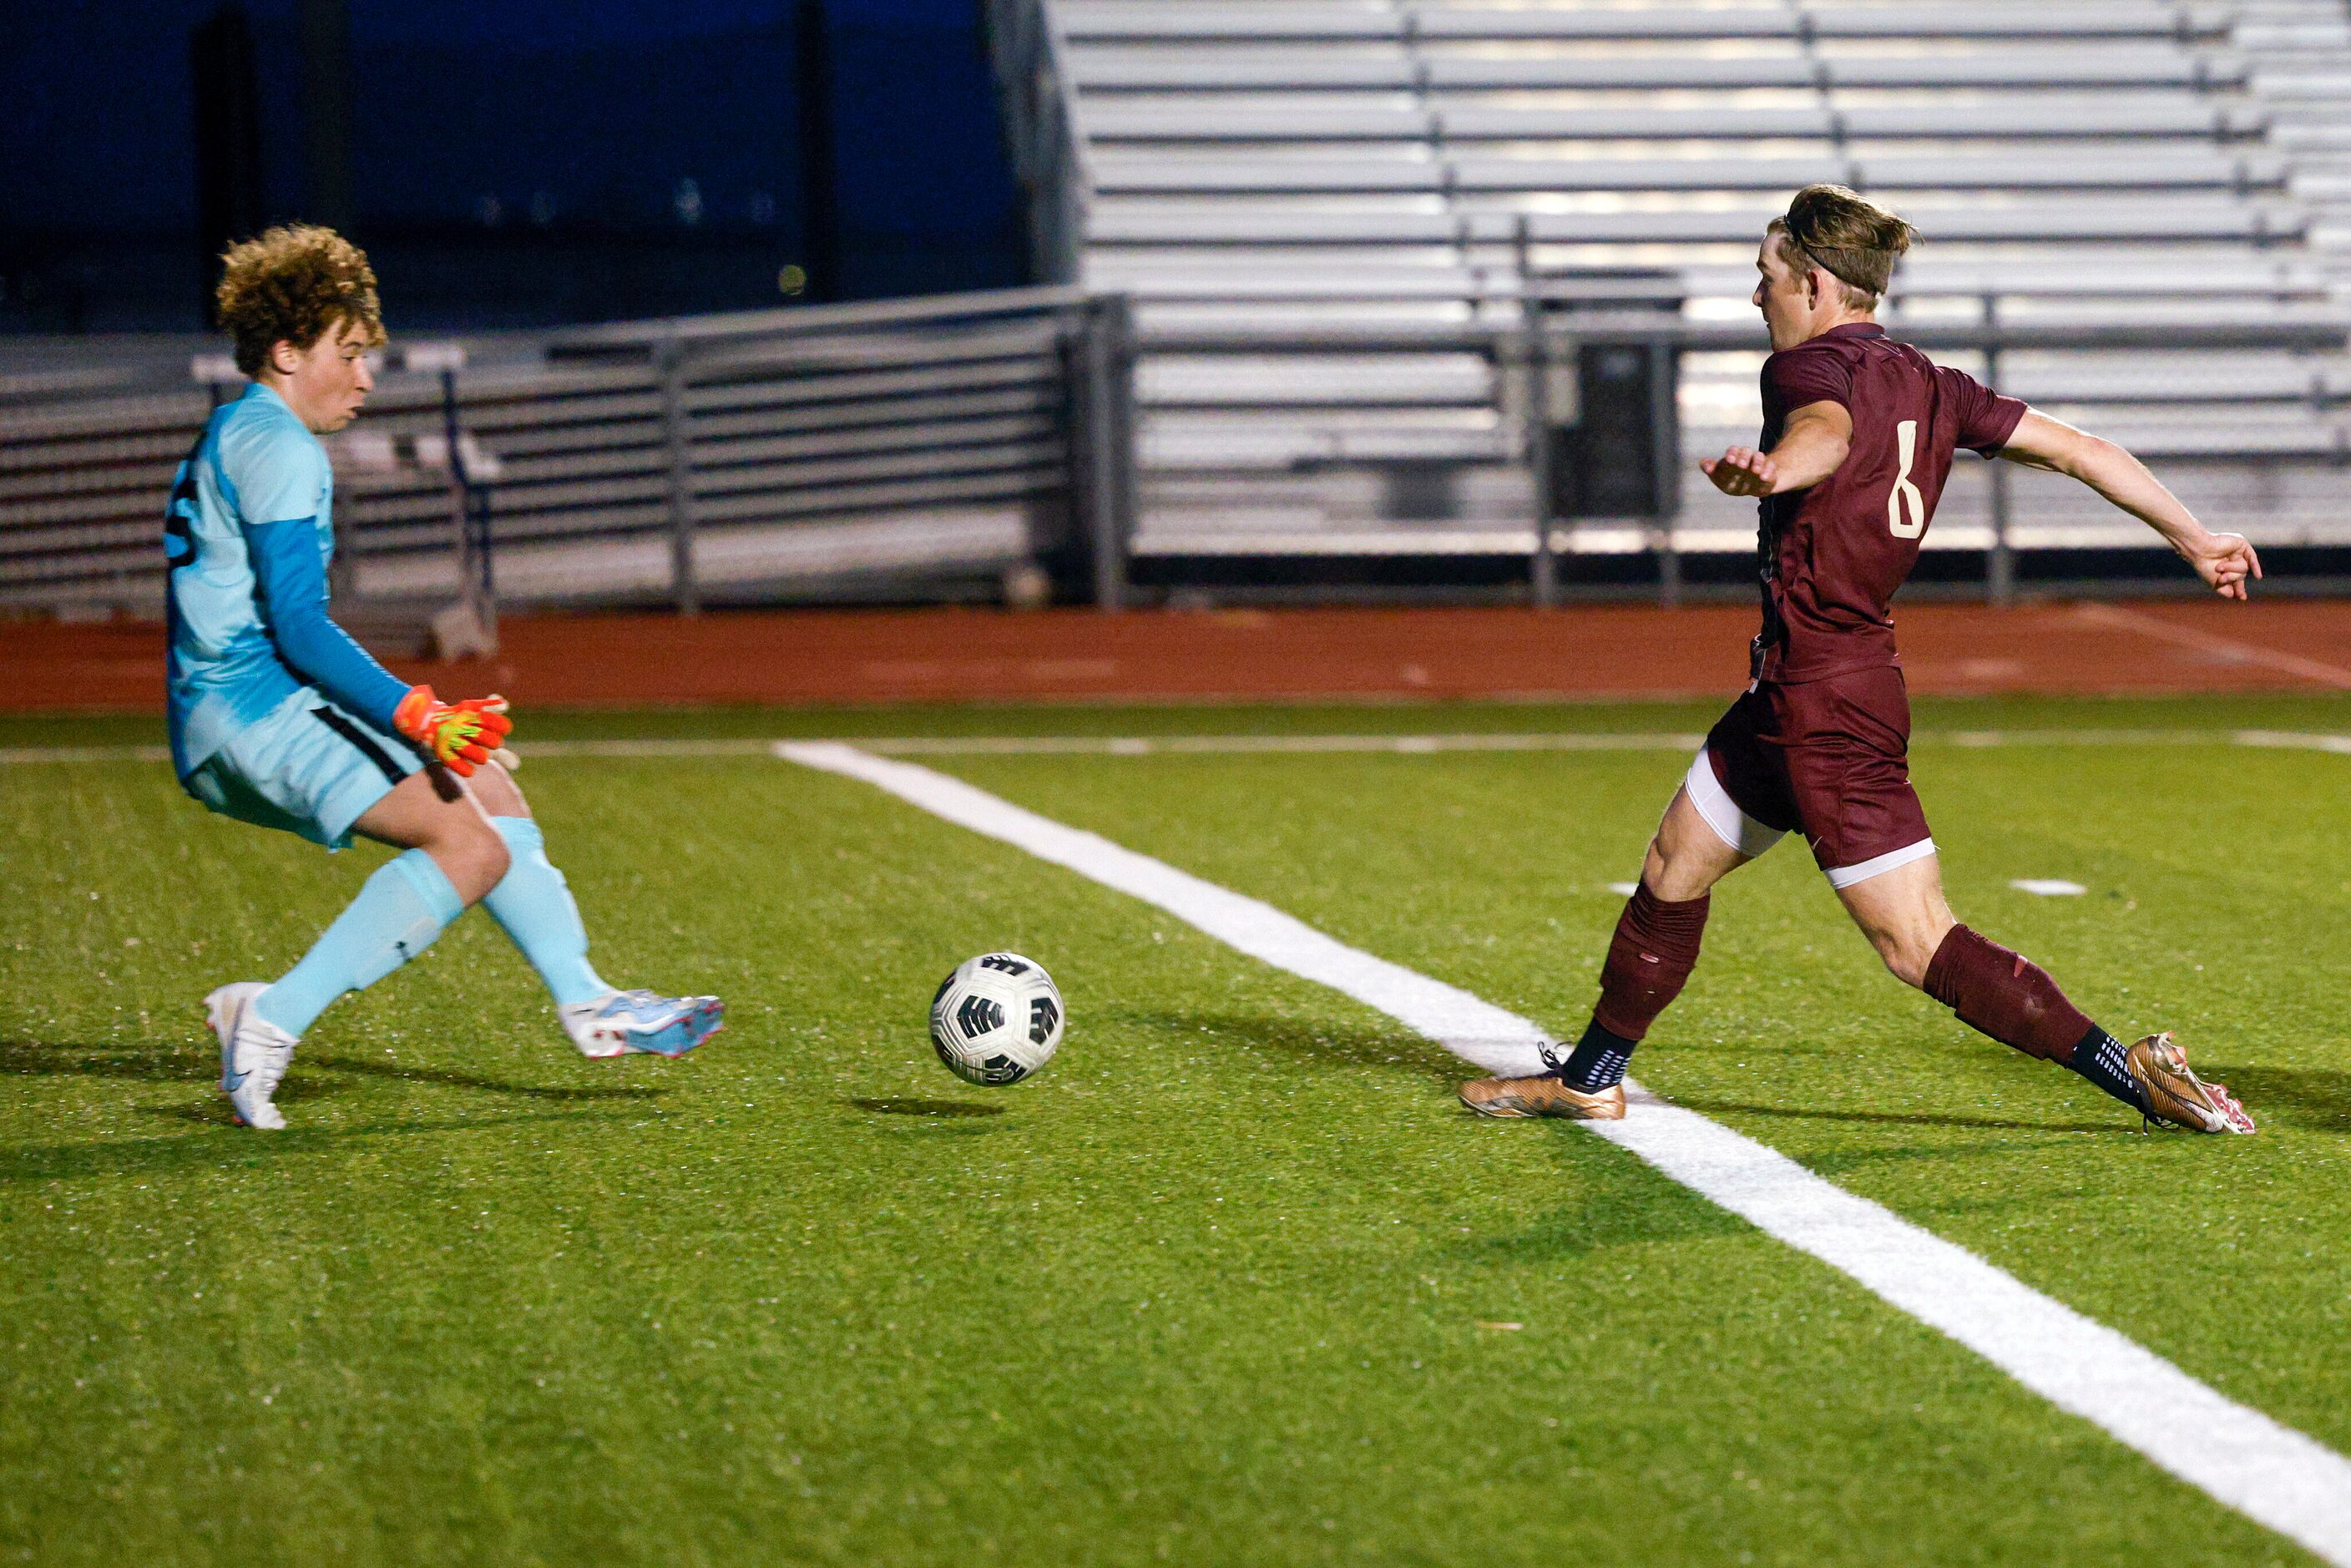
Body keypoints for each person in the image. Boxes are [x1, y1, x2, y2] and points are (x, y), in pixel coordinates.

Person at [1460, 185, 2257, 1134]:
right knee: (1674, 862)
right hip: (1793, 690)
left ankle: (2135, 1077)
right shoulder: (1931, 380)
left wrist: (1775, 470)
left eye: (1764, 278)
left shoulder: (1806, 369)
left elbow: (1824, 434)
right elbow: (2080, 450)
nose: (1756, 297)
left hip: (1826, 703)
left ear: (1814, 282)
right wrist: (2194, 537)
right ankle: (1590, 1076)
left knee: (1915, 942)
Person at [169, 225, 723, 1130]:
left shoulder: (238, 427)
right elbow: (300, 628)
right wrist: (419, 712)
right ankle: (269, 1019)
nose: (365, 376)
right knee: (468, 848)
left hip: (234, 709)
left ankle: (587, 1000)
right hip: (253, 713)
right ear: (284, 350)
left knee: (488, 792)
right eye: (345, 354)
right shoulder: (280, 448)